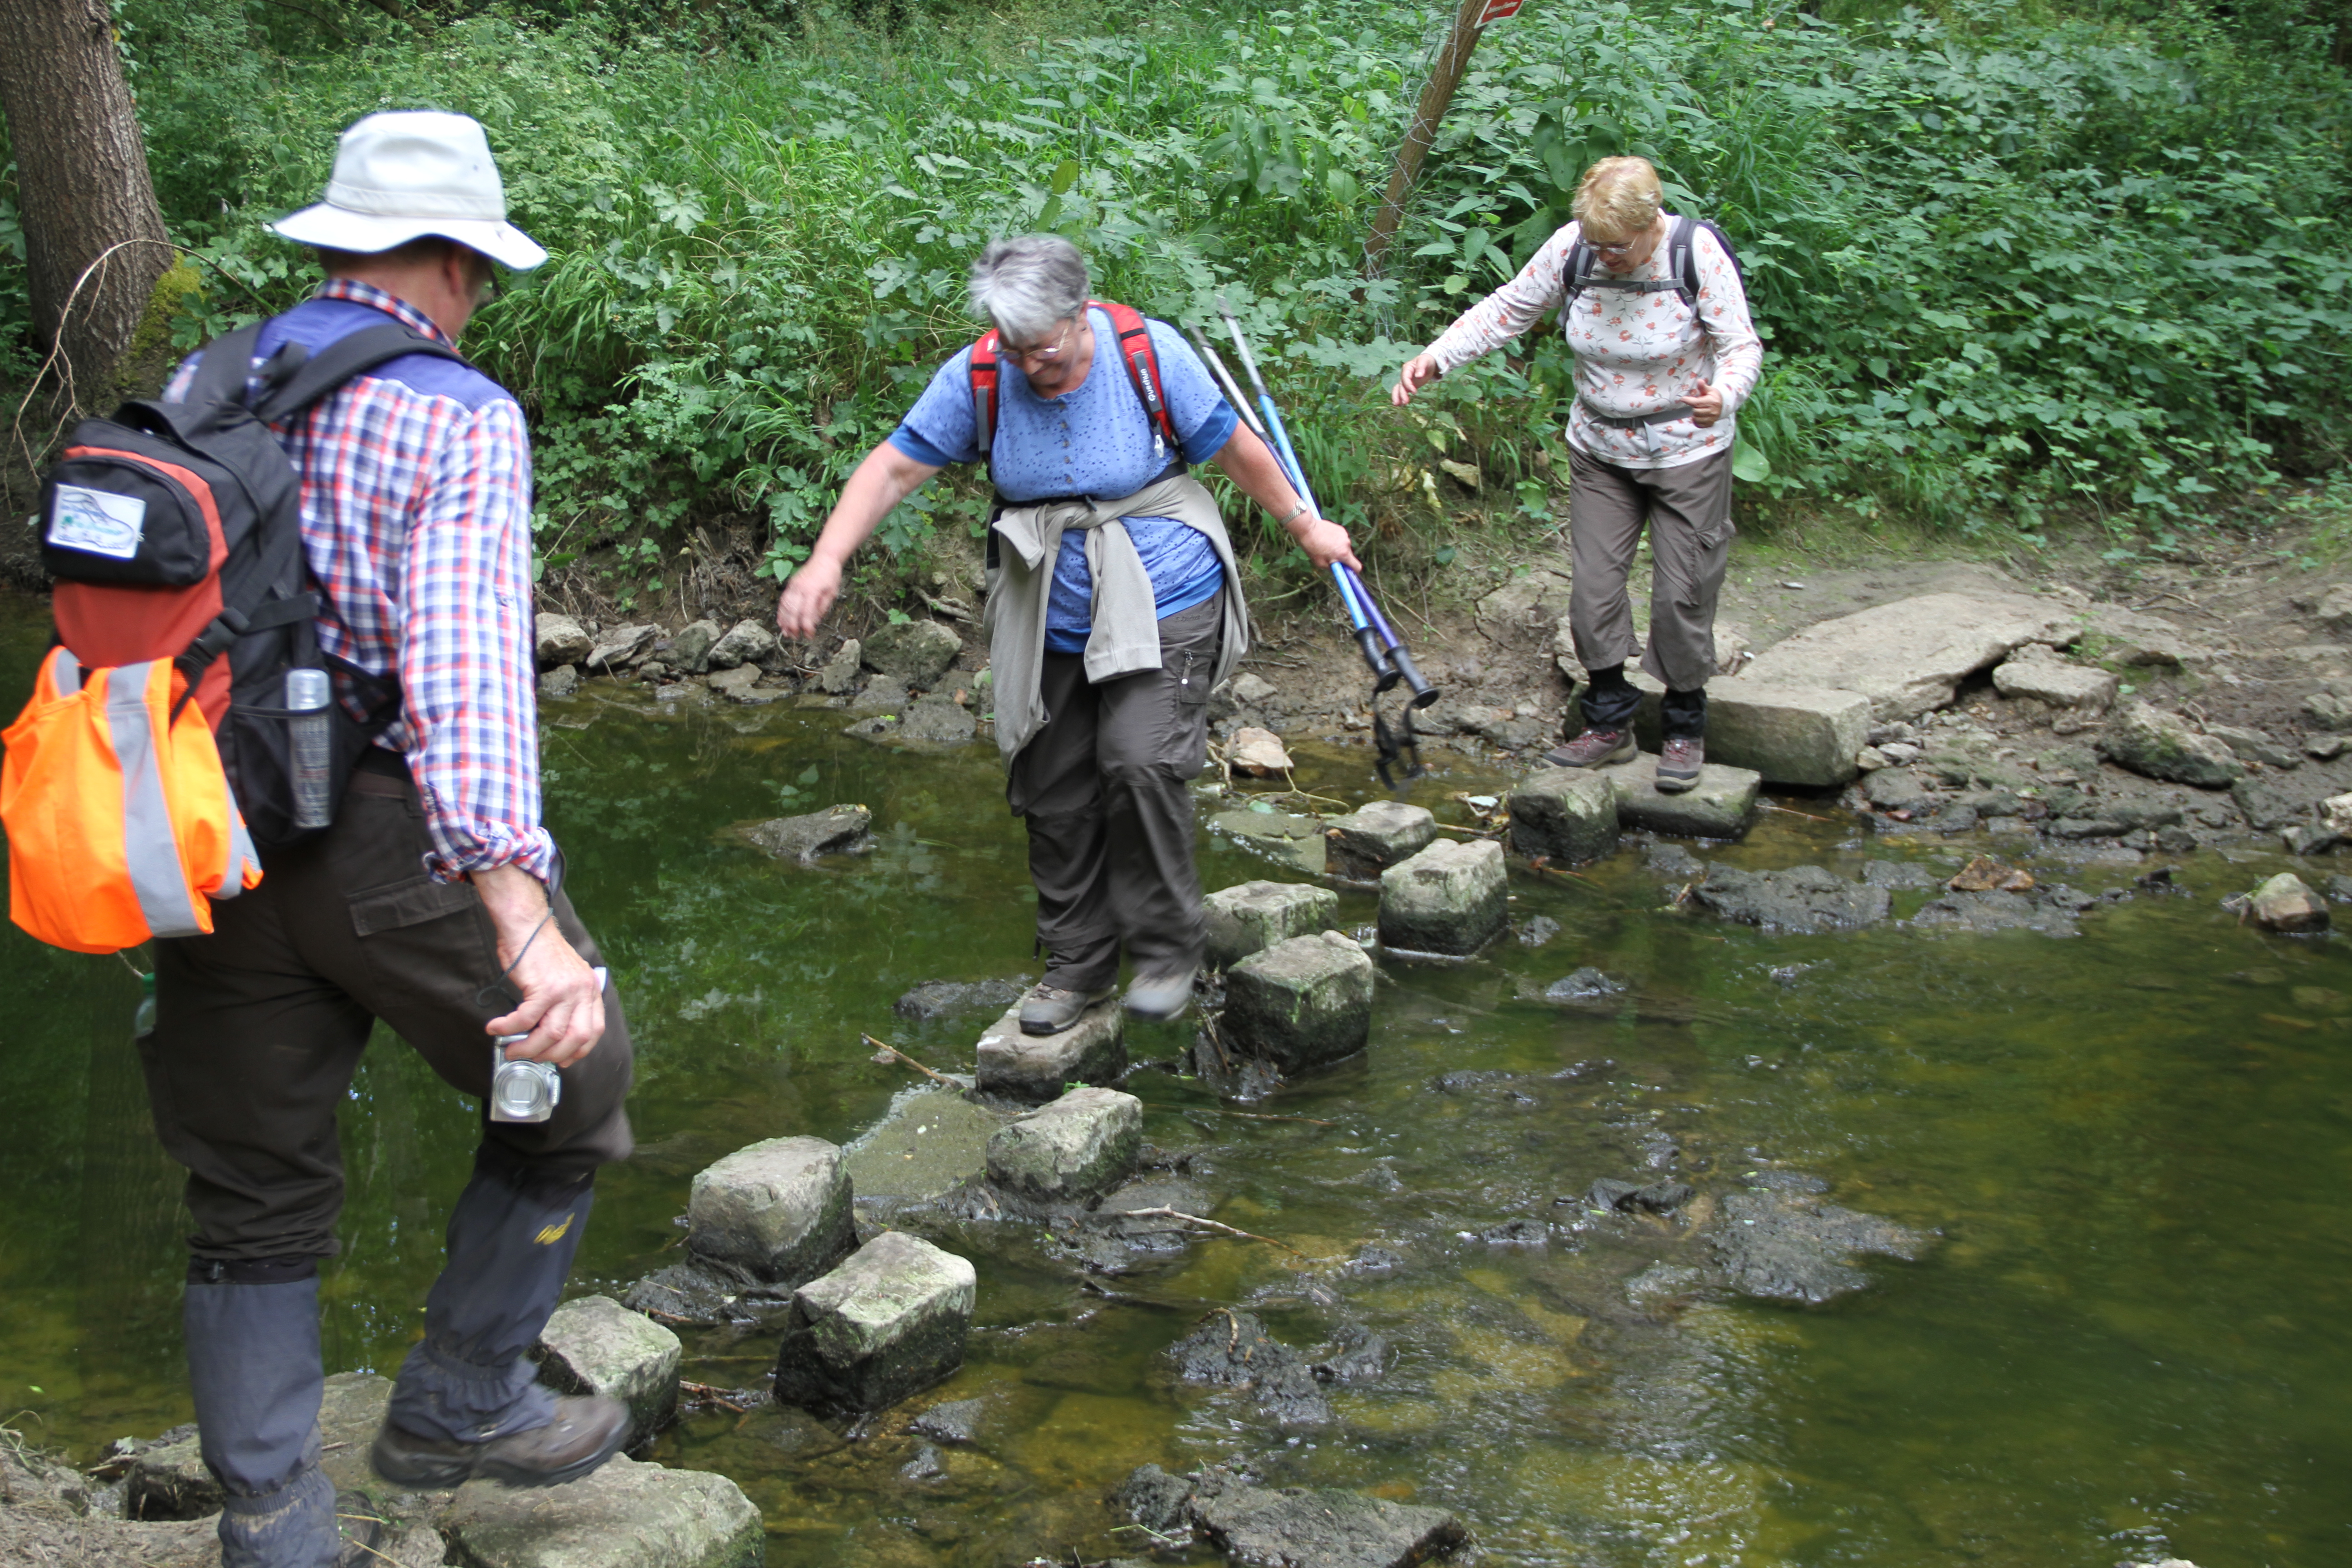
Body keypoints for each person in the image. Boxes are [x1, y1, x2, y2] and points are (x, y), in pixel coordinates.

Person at [147, 111, 633, 1566]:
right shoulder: (456, 410)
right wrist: (525, 918)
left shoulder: (207, 378)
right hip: (385, 842)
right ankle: (457, 1404)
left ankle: (274, 1521)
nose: (478, 295)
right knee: (578, 1076)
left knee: (251, 1190)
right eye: (478, 269)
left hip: (208, 839)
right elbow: (466, 683)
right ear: (446, 263)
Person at [775, 235, 1356, 1033]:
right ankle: (1077, 964)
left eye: (1042, 348)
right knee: (1052, 787)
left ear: (1082, 314)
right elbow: (894, 468)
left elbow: (1234, 449)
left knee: (1140, 759)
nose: (1029, 366)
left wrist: (1305, 526)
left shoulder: (1148, 353)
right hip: (1048, 600)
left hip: (1166, 588)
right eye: (1013, 352)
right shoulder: (984, 372)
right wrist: (825, 560)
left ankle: (1165, 947)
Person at [1393, 156, 1762, 791]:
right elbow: (1510, 308)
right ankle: (1609, 722)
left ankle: (1682, 727)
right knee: (1592, 591)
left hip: (1686, 450)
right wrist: (1437, 357)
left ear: (1651, 224)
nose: (1605, 258)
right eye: (1596, 244)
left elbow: (1741, 345)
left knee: (1684, 592)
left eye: (1617, 247)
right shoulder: (1576, 248)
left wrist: (1723, 395)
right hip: (1599, 448)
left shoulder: (1693, 253)